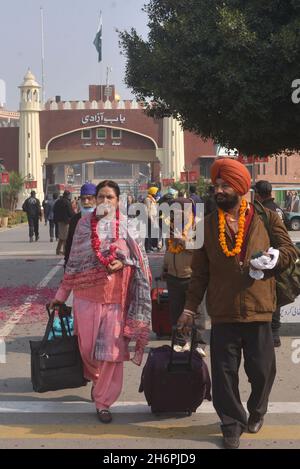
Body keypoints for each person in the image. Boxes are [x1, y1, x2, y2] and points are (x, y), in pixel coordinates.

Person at [177, 158, 297, 449]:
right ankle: (231, 423)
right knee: (224, 373)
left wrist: (275, 259)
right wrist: (189, 309)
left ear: (240, 188)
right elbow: (200, 273)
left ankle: (257, 410)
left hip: (259, 309)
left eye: (225, 185)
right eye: (216, 185)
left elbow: (289, 251)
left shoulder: (266, 218)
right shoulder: (207, 226)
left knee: (262, 370)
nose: (219, 189)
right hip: (223, 311)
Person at [50, 180, 151, 423]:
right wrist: (60, 297)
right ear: (95, 200)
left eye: (111, 197)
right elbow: (73, 264)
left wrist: (123, 261)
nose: (105, 201)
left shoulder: (128, 225)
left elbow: (139, 258)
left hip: (117, 299)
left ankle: (103, 401)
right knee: (87, 350)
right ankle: (96, 377)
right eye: (102, 197)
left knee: (111, 353)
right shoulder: (84, 226)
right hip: (86, 298)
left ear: (118, 201)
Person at [253, 180, 290, 347]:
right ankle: (274, 333)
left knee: (268, 296)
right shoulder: (278, 209)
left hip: (267, 258)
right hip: (280, 257)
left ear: (259, 195)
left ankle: (269, 333)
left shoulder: (264, 212)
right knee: (277, 296)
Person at [64, 183, 97, 267]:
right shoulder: (75, 219)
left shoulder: (102, 218)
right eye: (83, 199)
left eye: (89, 198)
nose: (86, 202)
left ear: (96, 199)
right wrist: (66, 263)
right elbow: (69, 243)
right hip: (78, 265)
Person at [53, 191, 75, 256]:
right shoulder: (67, 202)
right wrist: (75, 216)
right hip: (66, 222)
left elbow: (54, 210)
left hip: (59, 221)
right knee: (65, 237)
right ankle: (65, 251)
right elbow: (70, 212)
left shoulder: (58, 202)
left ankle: (58, 250)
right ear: (67, 195)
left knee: (61, 237)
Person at [144, 187, 159, 253]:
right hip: (149, 219)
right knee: (148, 234)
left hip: (153, 218)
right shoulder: (147, 199)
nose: (156, 194)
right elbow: (148, 210)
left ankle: (150, 247)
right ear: (153, 192)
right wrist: (151, 219)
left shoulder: (152, 199)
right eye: (155, 192)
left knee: (151, 233)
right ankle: (147, 248)